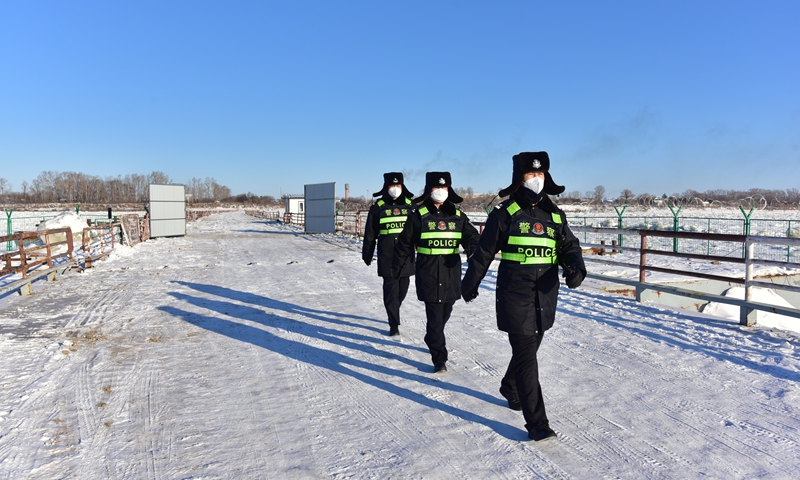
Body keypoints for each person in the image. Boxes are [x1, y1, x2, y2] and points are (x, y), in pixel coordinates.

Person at [461, 152, 586, 441]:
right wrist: (470, 283)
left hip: (545, 296)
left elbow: (569, 246)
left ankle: (509, 385)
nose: (536, 180)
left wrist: (576, 268)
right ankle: (538, 424)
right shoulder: (504, 214)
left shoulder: (555, 214)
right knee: (528, 357)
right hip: (514, 295)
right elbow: (484, 253)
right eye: (531, 175)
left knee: (527, 350)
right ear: (519, 178)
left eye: (541, 175)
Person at [393, 172, 480, 373]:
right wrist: (397, 267)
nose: (441, 192)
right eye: (436, 188)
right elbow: (404, 243)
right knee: (435, 317)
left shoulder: (458, 216)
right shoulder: (418, 215)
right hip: (428, 273)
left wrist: (473, 249)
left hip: (451, 274)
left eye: (444, 188)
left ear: (449, 190)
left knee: (445, 312)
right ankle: (439, 358)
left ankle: (432, 336)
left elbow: (472, 237)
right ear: (428, 190)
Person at [362, 172, 416, 336]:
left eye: (398, 186)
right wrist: (367, 253)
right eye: (392, 186)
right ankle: (394, 324)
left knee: (403, 288)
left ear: (402, 186)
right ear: (386, 187)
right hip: (387, 255)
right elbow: (370, 233)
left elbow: (420, 230)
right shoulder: (378, 207)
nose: (395, 189)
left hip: (406, 256)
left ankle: (394, 308)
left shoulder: (411, 206)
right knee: (391, 290)